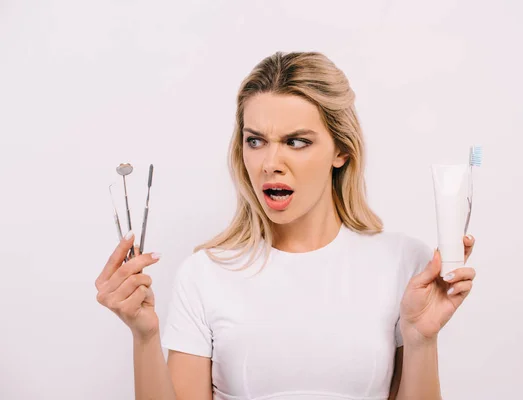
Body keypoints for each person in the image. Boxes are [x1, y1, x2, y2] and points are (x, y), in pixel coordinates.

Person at [95, 51, 477, 400]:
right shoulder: (205, 275)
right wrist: (145, 338)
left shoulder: (403, 262)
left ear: (341, 150)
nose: (269, 163)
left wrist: (422, 341)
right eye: (256, 141)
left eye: (296, 142)